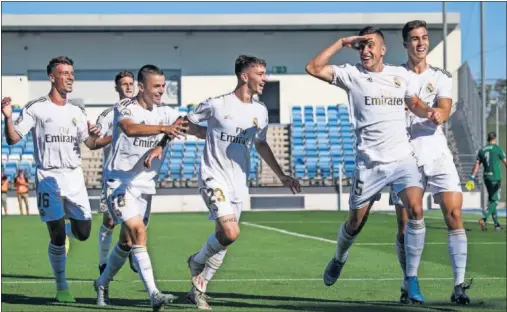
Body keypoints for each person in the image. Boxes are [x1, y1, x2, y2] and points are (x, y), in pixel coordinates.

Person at [149, 55, 301, 310]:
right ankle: (197, 262)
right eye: (261, 73)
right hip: (213, 176)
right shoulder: (216, 105)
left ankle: (199, 287)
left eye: (265, 73)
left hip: (239, 183)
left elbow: (261, 144)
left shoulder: (260, 111)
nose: (265, 78)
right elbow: (184, 123)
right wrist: (161, 146)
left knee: (224, 237)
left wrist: (281, 175)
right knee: (231, 232)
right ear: (245, 76)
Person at [305, 26, 443, 304]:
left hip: (402, 159)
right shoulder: (352, 74)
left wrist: (430, 112)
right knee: (355, 223)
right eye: (361, 46)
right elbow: (313, 67)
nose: (365, 51)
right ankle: (339, 257)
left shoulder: (400, 75)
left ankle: (412, 278)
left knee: (416, 210)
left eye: (371, 46)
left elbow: (413, 102)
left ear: (383, 50)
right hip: (369, 164)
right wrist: (342, 41)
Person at [1, 56, 102, 303]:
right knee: (56, 236)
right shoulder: (36, 107)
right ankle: (62, 287)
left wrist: (102, 135)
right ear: (52, 77)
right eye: (64, 73)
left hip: (74, 177)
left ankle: (67, 229)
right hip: (48, 176)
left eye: (71, 73)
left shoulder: (77, 110)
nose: (70, 78)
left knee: (85, 232)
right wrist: (7, 117)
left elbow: (89, 142)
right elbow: (13, 139)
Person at [93, 64, 188, 311]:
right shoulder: (124, 107)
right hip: (118, 183)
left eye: (163, 85)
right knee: (138, 231)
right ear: (141, 86)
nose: (161, 91)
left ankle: (102, 284)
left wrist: (161, 145)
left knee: (126, 243)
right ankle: (154, 293)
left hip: (145, 186)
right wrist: (163, 129)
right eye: (156, 86)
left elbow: (183, 121)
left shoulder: (165, 112)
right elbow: (130, 128)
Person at [389, 20, 470, 305]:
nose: (420, 43)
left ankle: (459, 285)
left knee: (454, 215)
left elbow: (445, 107)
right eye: (414, 39)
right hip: (404, 154)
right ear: (405, 44)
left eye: (424, 38)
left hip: (437, 152)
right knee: (407, 221)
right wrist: (427, 110)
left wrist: (440, 114)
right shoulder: (394, 75)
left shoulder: (441, 76)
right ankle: (409, 281)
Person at [95, 71, 136, 276]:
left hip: (137, 177)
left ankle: (133, 252)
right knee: (110, 221)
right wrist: (116, 135)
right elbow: (95, 143)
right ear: (117, 88)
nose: (128, 87)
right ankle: (103, 263)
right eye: (124, 84)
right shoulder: (107, 115)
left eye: (131, 83)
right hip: (113, 175)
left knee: (135, 220)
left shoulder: (144, 111)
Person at [467, 131, 507, 231]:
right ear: (495, 139)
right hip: (496, 178)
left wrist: (472, 177)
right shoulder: (498, 149)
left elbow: (477, 165)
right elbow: (505, 162)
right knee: (494, 200)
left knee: (491, 199)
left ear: (488, 139)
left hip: (486, 178)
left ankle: (497, 224)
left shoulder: (482, 150)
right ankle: (484, 219)